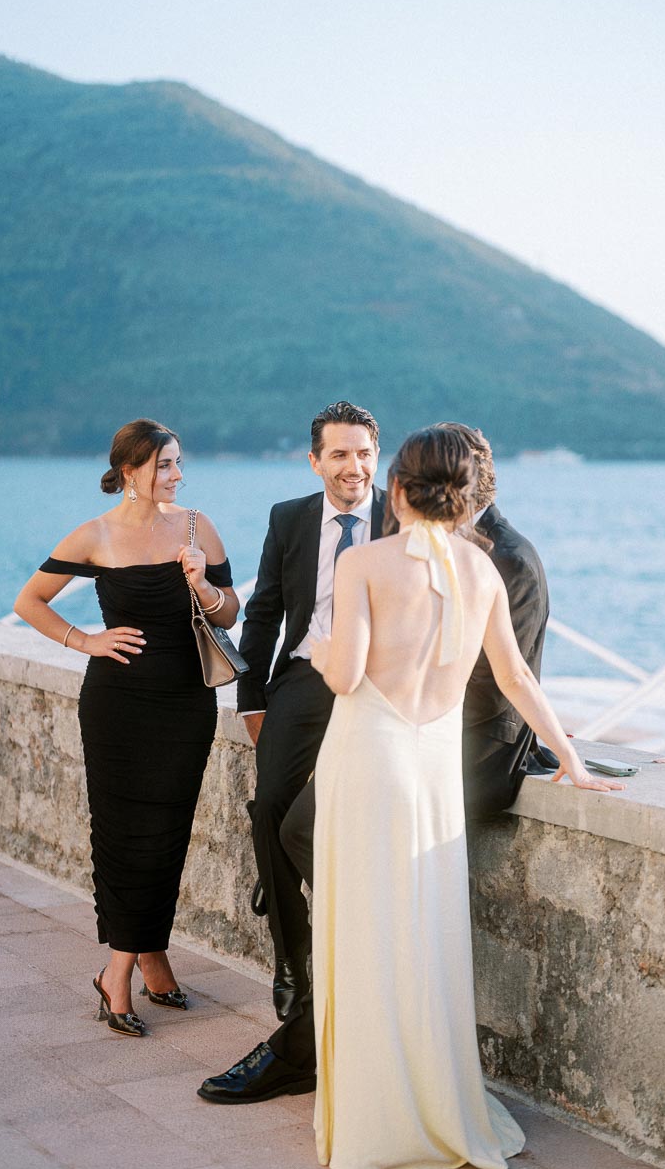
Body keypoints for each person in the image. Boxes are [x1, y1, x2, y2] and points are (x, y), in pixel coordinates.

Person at [197, 421, 554, 1105]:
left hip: (462, 754)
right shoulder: (435, 540)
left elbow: (504, 687)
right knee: (295, 825)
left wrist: (562, 754)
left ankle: (301, 1046)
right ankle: (312, 977)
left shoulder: (508, 559)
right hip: (395, 728)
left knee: (346, 871)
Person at [307, 425, 622, 1169]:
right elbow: (516, 679)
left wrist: (318, 647)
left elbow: (346, 676)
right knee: (423, 931)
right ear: (465, 491)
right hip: (433, 769)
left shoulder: (364, 563)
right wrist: (570, 758)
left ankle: (373, 1117)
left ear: (397, 487)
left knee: (365, 929)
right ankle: (437, 1101)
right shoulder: (483, 573)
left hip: (369, 759)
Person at [14, 419, 238, 1036]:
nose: (177, 474)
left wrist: (201, 583)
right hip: (117, 705)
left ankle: (151, 952)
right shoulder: (95, 535)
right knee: (121, 834)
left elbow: (231, 611)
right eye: (166, 464)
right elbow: (28, 601)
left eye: (178, 463)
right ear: (132, 470)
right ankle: (119, 971)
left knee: (167, 832)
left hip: (185, 703)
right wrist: (84, 639)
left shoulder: (197, 526)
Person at [236, 400, 387, 1021]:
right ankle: (292, 960)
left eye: (366, 454)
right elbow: (264, 610)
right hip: (302, 676)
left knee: (308, 821)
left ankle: (297, 896)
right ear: (316, 461)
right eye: (341, 455)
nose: (355, 468)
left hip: (374, 684)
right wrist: (250, 699)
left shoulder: (402, 520)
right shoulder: (290, 519)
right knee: (269, 805)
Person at [435, 422, 553, 821]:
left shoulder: (509, 558)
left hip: (483, 745)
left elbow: (495, 685)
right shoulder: (448, 541)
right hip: (444, 727)